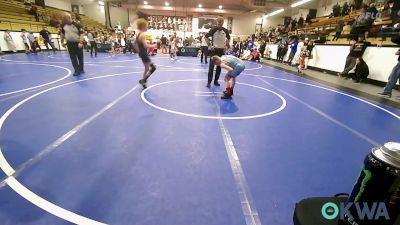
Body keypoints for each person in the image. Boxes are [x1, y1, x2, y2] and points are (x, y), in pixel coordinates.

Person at [205, 16, 230, 88]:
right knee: (211, 67)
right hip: (214, 50)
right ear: (217, 23)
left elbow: (228, 38)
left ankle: (216, 81)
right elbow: (206, 37)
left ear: (223, 23)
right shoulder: (213, 29)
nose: (220, 25)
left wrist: (227, 45)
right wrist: (209, 45)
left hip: (221, 51)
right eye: (219, 23)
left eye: (221, 24)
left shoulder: (225, 31)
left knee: (219, 67)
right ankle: (209, 82)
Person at [136, 18, 157, 89]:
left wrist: (139, 51)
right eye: (146, 26)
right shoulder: (142, 35)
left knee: (147, 69)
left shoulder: (138, 34)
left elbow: (134, 44)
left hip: (142, 54)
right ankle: (144, 80)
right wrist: (153, 46)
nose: (147, 27)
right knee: (153, 68)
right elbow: (146, 46)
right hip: (144, 54)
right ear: (142, 26)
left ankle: (144, 82)